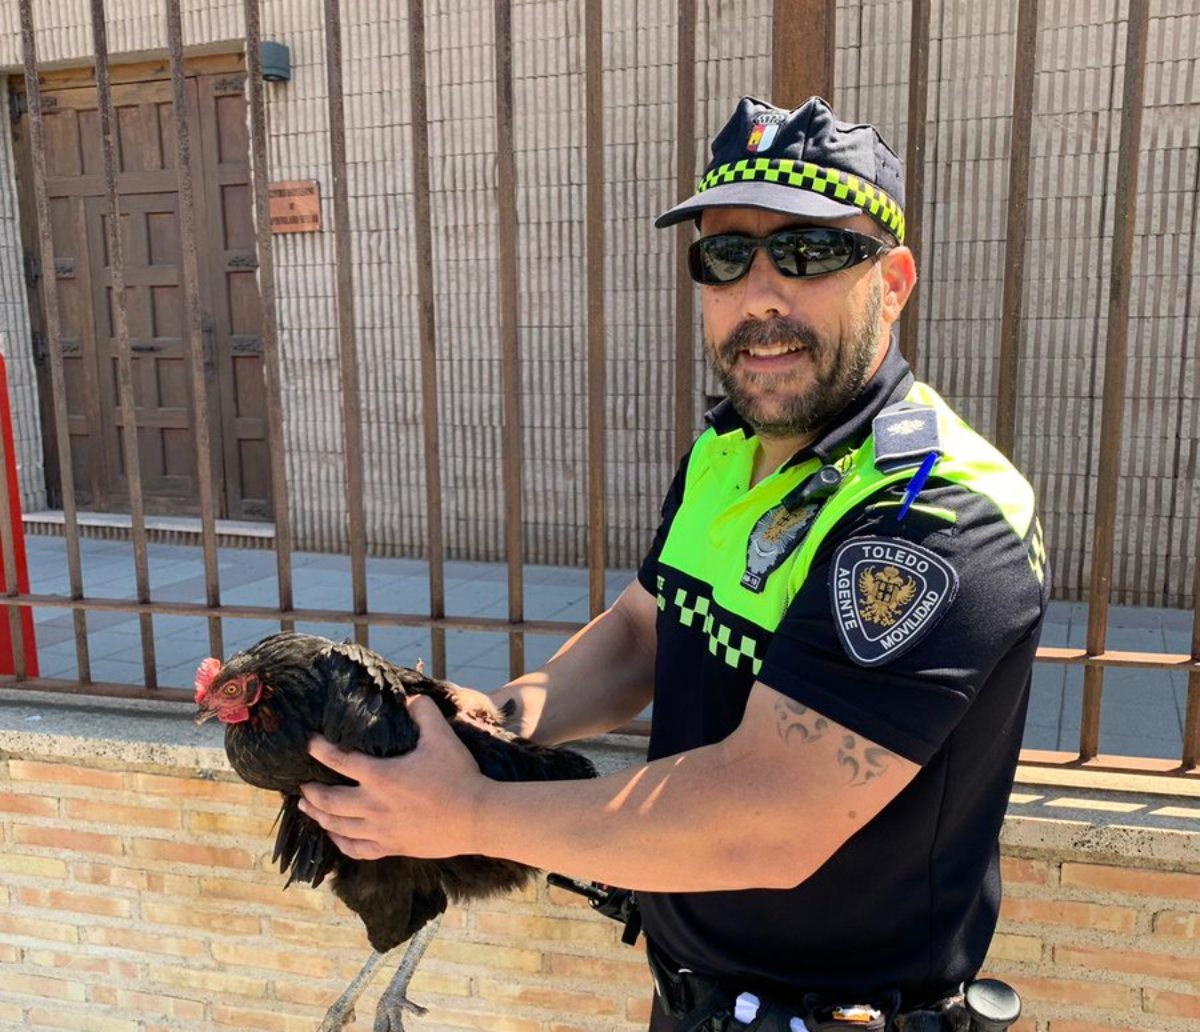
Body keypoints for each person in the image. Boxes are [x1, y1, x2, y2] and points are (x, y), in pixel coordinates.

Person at [296, 96, 1049, 1031]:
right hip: (689, 999)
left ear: (893, 281)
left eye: (811, 253)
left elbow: (768, 817)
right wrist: (504, 719)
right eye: (726, 256)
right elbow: (644, 632)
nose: (762, 294)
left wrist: (468, 812)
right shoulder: (730, 451)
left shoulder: (930, 513)